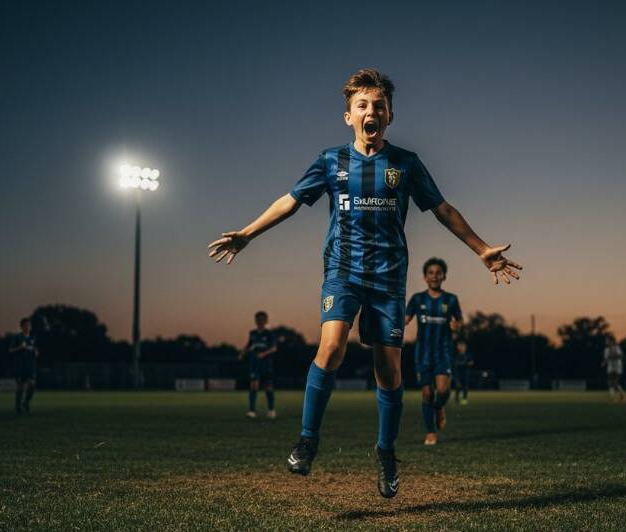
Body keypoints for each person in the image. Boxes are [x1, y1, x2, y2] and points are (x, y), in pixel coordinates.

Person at [208, 68, 522, 498]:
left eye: (378, 105)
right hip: (343, 270)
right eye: (362, 105)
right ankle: (307, 440)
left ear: (390, 115)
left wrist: (481, 248)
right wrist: (247, 233)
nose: (370, 111)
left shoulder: (406, 164)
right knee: (331, 346)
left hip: (388, 279)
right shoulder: (330, 161)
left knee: (389, 371)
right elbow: (290, 201)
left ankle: (386, 453)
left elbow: (443, 208)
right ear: (348, 116)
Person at [405, 258, 462, 445]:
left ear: (444, 276)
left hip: (443, 352)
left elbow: (458, 323)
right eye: (431, 272)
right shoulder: (417, 299)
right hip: (422, 353)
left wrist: (456, 327)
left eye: (438, 272)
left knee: (443, 391)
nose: (435, 276)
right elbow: (404, 319)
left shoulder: (451, 299)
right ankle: (430, 432)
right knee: (427, 393)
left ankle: (440, 407)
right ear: (425, 276)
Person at [243, 311, 278, 419]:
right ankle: (252, 411)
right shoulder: (252, 333)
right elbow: (249, 345)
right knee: (253, 386)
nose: (260, 321)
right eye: (258, 319)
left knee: (268, 387)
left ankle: (271, 410)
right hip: (254, 363)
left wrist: (263, 354)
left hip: (266, 364)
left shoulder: (269, 334)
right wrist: (243, 352)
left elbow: (274, 348)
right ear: (255, 320)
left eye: (262, 319)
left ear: (266, 321)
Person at [8, 317, 39, 414]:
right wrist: (19, 347)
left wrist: (36, 352)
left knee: (32, 384)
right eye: (25, 325)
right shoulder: (17, 337)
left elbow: (36, 350)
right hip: (20, 365)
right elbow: (10, 350)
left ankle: (26, 402)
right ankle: (18, 406)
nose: (27, 327)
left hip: (31, 365)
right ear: (21, 327)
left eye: (28, 325)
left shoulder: (33, 338)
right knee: (20, 386)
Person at [602, 334, 626, 403]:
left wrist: (613, 356)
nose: (606, 342)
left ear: (612, 341)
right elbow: (606, 358)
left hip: (617, 366)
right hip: (610, 366)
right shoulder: (606, 350)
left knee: (615, 382)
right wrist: (604, 362)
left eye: (607, 340)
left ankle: (622, 395)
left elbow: (621, 356)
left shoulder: (616, 348)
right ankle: (612, 399)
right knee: (610, 382)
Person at [453, 339, 473, 405]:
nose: (461, 348)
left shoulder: (468, 355)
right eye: (460, 346)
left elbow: (471, 363)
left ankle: (464, 399)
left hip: (465, 373)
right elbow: (453, 364)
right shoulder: (455, 355)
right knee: (458, 386)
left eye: (463, 346)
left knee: (465, 387)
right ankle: (456, 399)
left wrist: (467, 364)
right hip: (457, 374)